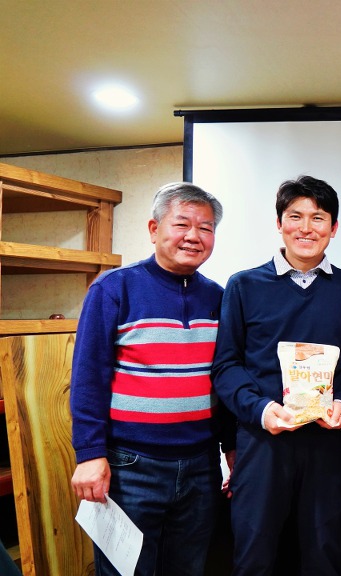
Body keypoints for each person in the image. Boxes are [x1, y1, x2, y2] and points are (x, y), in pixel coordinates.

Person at [70, 182, 232, 576]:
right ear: (154, 228)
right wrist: (90, 454)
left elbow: (224, 380)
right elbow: (89, 377)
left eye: (206, 228)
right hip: (130, 466)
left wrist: (231, 450)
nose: (194, 236)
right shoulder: (114, 288)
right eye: (182, 224)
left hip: (200, 466)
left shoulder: (219, 297)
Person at [212, 176, 341, 575]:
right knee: (254, 556)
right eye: (295, 216)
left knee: (323, 555)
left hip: (327, 443)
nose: (306, 228)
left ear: (334, 227)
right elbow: (226, 367)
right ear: (279, 223)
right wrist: (261, 410)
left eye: (318, 217)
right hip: (263, 441)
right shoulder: (244, 286)